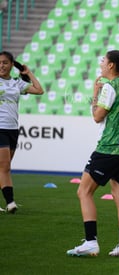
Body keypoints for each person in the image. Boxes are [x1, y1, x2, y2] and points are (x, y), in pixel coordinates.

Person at [67, 50, 119, 258]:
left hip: (109, 149)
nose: (100, 64)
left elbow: (97, 117)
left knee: (84, 192)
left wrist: (95, 93)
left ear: (111, 66)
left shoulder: (110, 87)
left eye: (103, 61)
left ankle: (91, 242)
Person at [0, 51, 44, 213]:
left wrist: (28, 73)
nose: (1, 65)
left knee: (4, 168)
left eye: (5, 62)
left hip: (12, 129)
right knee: (3, 167)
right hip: (0, 128)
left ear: (12, 64)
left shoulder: (16, 83)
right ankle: (10, 202)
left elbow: (39, 90)